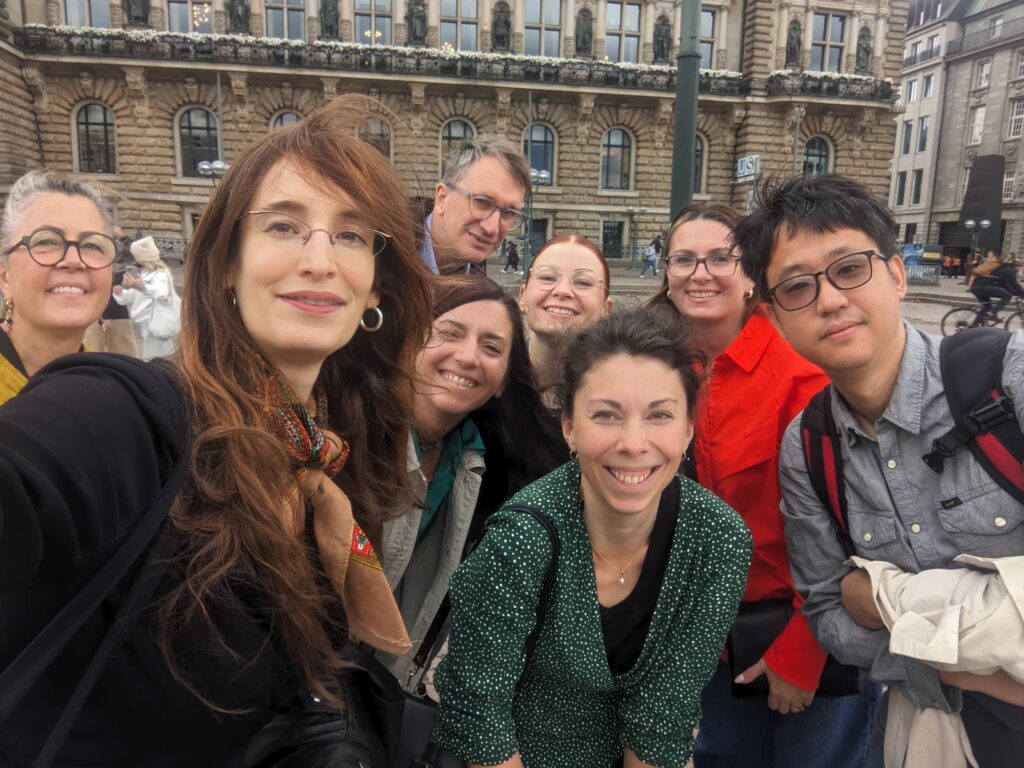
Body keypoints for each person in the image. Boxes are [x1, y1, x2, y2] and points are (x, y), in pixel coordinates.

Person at [0, 97, 435, 765]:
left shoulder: (322, 454)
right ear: (226, 265)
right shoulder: (135, 410)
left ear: (375, 289)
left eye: (351, 235)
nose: (320, 259)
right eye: (284, 225)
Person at [733, 173, 1024, 768]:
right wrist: (974, 673)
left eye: (849, 269)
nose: (829, 300)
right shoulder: (809, 446)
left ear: (895, 274)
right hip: (925, 734)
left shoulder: (1008, 380)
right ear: (777, 317)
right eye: (797, 286)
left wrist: (887, 598)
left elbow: (856, 608)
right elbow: (829, 613)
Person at [432, 309, 754, 768]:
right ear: (569, 426)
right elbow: (479, 714)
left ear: (687, 429)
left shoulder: (717, 540)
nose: (634, 443)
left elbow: (666, 717)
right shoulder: (521, 540)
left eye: (660, 415)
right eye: (606, 415)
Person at [646, 202, 877, 767]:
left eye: (719, 258)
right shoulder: (662, 366)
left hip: (801, 632)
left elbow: (854, 526)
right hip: (710, 634)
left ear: (751, 274)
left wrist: (804, 650)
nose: (700, 274)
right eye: (684, 259)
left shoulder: (801, 371)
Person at [379, 276, 554, 690]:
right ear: (411, 341)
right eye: (449, 333)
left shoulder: (483, 468)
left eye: (491, 348)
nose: (468, 356)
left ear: (504, 381)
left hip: (380, 698)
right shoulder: (350, 437)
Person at [0, 170, 115, 405]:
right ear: (5, 277)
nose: (74, 260)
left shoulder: (116, 391)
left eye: (92, 245)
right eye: (46, 241)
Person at [518, 234, 612, 405]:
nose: (562, 290)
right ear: (523, 296)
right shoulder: (491, 378)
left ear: (606, 308)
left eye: (583, 282)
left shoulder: (621, 389)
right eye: (547, 277)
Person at [421, 136, 530, 274]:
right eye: (482, 202)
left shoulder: (481, 283)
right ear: (442, 198)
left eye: (509, 213)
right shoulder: (392, 253)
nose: (492, 229)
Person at [112, 236, 179, 360]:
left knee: (157, 357)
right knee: (151, 356)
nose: (135, 259)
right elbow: (136, 296)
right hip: (144, 320)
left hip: (156, 320)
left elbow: (161, 293)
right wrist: (121, 293)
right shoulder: (145, 273)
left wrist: (141, 287)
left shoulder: (161, 274)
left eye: (136, 256)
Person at [83, 227, 140, 357]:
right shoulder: (89, 259)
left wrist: (123, 238)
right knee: (89, 355)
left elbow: (137, 254)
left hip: (118, 313)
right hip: (94, 314)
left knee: (126, 356)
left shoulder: (123, 260)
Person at [969, 250, 1023, 325]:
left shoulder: (1004, 269)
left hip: (976, 287)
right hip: (983, 286)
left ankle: (973, 326)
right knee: (1007, 296)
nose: (1020, 270)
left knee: (986, 307)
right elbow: (1014, 284)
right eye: (1020, 268)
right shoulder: (1009, 271)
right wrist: (1022, 294)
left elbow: (1004, 285)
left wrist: (1016, 293)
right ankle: (993, 313)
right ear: (1017, 266)